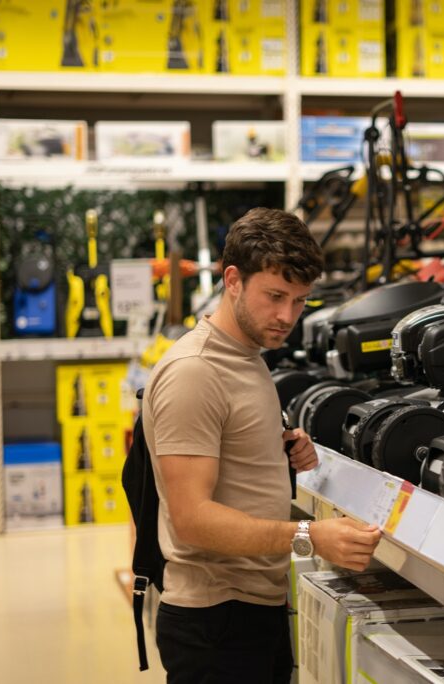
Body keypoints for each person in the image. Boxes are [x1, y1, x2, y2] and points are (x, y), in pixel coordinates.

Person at [142, 207, 381, 683]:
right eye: (275, 296)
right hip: (215, 622)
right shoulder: (195, 371)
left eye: (299, 301)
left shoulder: (246, 354)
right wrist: (310, 537)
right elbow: (191, 518)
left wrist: (281, 449)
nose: (287, 316)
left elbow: (230, 451)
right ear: (233, 280)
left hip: (253, 609)